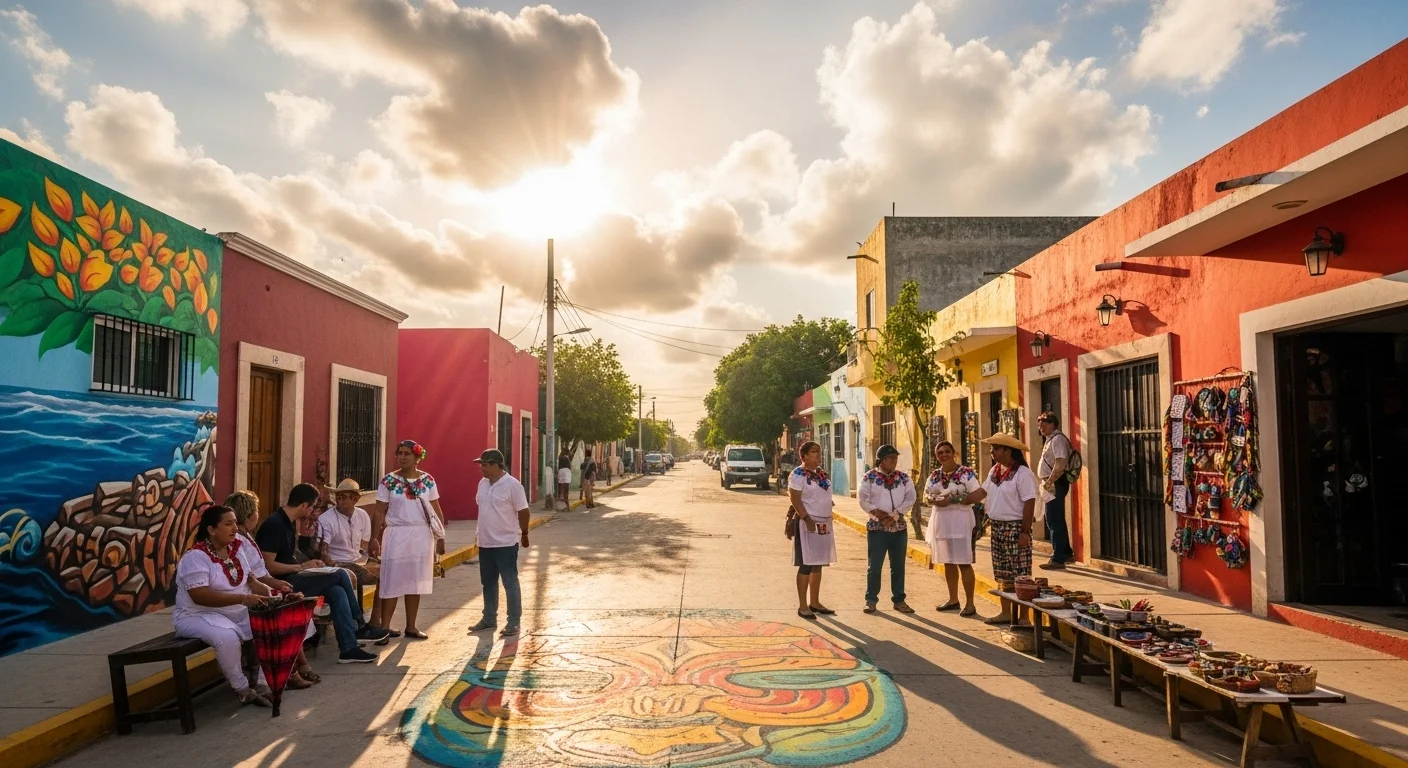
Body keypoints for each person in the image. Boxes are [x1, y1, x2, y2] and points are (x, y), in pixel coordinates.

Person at [255, 483, 384, 662]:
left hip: (295, 575)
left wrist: (311, 563)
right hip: (282, 582)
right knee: (340, 574)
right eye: (313, 506)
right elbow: (268, 566)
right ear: (304, 506)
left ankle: (348, 648)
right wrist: (300, 568)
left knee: (337, 591)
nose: (314, 511)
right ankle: (359, 626)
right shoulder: (275, 525)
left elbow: (292, 555)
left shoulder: (289, 523)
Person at [174, 505, 276, 706]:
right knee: (227, 637)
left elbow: (250, 579)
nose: (235, 528)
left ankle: (264, 683)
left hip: (234, 611)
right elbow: (200, 596)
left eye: (235, 523)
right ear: (211, 529)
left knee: (270, 622)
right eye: (228, 524)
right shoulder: (195, 557)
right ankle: (243, 689)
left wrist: (264, 589)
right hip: (197, 615)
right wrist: (244, 599)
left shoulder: (236, 547)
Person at [226, 490, 320, 687]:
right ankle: (291, 670)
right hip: (249, 594)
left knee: (294, 606)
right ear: (251, 515)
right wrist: (273, 584)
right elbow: (252, 575)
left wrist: (275, 584)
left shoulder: (246, 537)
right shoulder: (238, 542)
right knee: (286, 612)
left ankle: (298, 667)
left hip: (259, 588)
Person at [369, 440, 445, 640]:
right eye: (400, 453)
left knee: (414, 581)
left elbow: (436, 508)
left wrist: (441, 537)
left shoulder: (428, 480)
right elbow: (379, 512)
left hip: (421, 535)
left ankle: (411, 626)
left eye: (407, 454)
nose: (402, 457)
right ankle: (385, 628)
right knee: (392, 581)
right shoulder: (388, 481)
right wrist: (373, 538)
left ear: (417, 457)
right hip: (396, 534)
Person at [965, 433, 1038, 625]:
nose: (992, 453)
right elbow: (983, 491)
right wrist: (959, 499)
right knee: (1002, 573)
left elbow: (1029, 502)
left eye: (995, 449)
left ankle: (1023, 617)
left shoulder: (1023, 474)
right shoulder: (995, 471)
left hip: (1015, 528)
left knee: (1021, 575)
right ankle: (1006, 612)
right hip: (997, 528)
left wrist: (1025, 531)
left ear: (1007, 450)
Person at [467, 449, 531, 637]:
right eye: (481, 465)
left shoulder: (513, 485)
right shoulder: (482, 484)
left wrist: (524, 532)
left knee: (510, 583)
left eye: (485, 465)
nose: (482, 469)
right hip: (485, 543)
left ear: (496, 465)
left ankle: (514, 621)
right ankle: (489, 619)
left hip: (505, 543)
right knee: (488, 583)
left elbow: (523, 511)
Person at [925, 441, 982, 617]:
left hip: (961, 521)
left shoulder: (967, 473)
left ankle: (970, 604)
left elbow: (979, 494)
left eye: (947, 451)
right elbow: (926, 496)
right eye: (940, 452)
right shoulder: (935, 475)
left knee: (964, 562)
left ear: (954, 453)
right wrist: (933, 500)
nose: (944, 455)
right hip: (942, 522)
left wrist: (953, 500)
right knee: (948, 561)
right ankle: (953, 599)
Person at [857, 444, 915, 614]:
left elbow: (911, 498)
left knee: (898, 566)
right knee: (874, 566)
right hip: (877, 528)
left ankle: (899, 600)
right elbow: (863, 499)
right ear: (881, 460)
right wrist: (881, 516)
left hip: (898, 527)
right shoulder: (869, 477)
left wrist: (895, 515)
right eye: (890, 458)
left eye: (895, 458)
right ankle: (871, 600)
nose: (893, 461)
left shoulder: (903, 478)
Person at [318, 479, 383, 629]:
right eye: (338, 497)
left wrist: (372, 553)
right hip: (339, 562)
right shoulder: (326, 519)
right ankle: (357, 623)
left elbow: (364, 546)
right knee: (354, 576)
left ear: (355, 499)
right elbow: (324, 552)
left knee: (388, 575)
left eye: (344, 497)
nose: (339, 500)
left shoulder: (362, 515)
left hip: (358, 560)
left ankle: (376, 621)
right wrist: (333, 565)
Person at [789, 441, 837, 620]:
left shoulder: (821, 474)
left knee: (818, 563)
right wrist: (806, 518)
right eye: (814, 452)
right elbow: (795, 498)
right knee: (806, 563)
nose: (818, 455)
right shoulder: (798, 474)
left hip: (824, 523)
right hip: (807, 523)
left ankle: (814, 602)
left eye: (819, 451)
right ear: (804, 456)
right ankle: (803, 606)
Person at [1036, 411, 1075, 570]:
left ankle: (1057, 558)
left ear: (1053, 424)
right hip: (1052, 483)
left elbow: (1061, 461)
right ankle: (1065, 552)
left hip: (1055, 483)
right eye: (1040, 423)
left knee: (1053, 520)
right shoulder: (1051, 439)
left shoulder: (1057, 439)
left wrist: (1050, 481)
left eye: (1045, 423)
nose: (1041, 426)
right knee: (1056, 518)